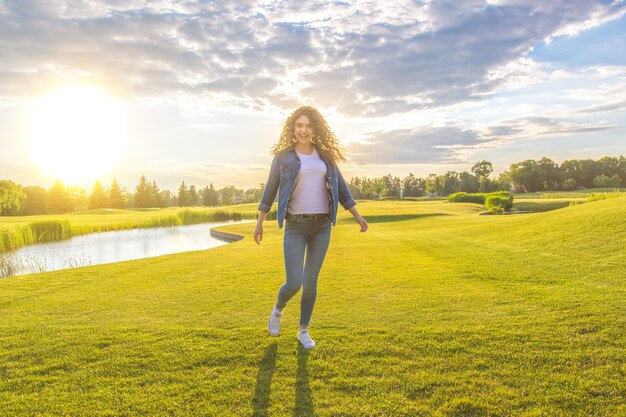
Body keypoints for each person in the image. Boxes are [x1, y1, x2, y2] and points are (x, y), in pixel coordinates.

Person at [254, 106, 368, 349]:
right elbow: (270, 190)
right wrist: (260, 222)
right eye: (299, 125)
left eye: (308, 126)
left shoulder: (325, 156)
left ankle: (303, 330)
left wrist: (358, 216)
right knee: (294, 282)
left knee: (311, 282)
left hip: (322, 226)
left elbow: (342, 190)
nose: (303, 130)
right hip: (296, 225)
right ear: (292, 129)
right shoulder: (283, 157)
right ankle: (278, 309)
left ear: (315, 129)